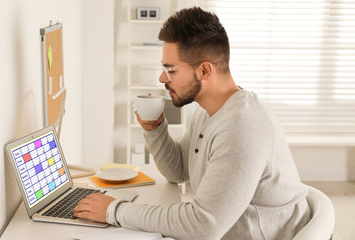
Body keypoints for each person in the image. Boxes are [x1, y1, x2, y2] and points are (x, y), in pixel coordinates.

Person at [73, 7, 310, 240]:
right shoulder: (208, 111)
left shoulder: (242, 127)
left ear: (204, 70)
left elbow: (204, 225)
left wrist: (114, 211)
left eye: (171, 70)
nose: (161, 78)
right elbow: (179, 172)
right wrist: (155, 128)